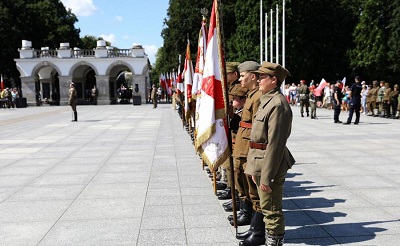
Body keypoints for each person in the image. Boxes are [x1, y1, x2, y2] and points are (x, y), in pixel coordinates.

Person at [245, 61, 295, 246]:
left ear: (274, 80)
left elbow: (275, 144)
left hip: (269, 164)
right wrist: (251, 167)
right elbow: (256, 140)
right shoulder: (266, 100)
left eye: (262, 77)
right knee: (266, 207)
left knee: (271, 209)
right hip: (259, 162)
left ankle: (274, 242)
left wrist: (267, 176)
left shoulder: (278, 105)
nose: (258, 80)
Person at [232, 61, 265, 246]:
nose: (241, 79)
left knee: (255, 192)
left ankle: (258, 233)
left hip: (250, 149)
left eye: (243, 76)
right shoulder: (252, 95)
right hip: (243, 148)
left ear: (253, 76)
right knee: (250, 191)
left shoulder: (258, 96)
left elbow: (258, 129)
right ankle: (254, 228)